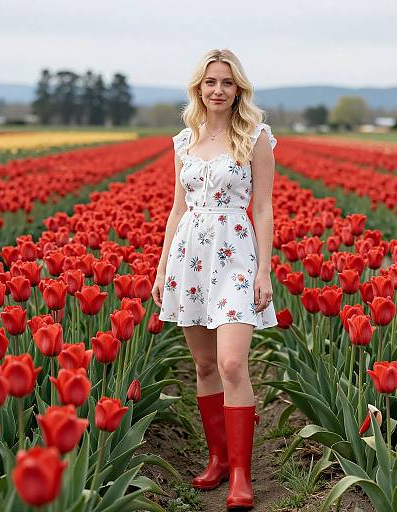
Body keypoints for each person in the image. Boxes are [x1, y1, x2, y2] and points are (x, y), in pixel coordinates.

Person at [151, 48, 278, 510]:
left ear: (238, 88)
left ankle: (242, 474)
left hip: (236, 255)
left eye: (227, 82)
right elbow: (177, 208)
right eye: (211, 82)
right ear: (199, 89)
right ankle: (218, 459)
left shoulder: (256, 137)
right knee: (204, 367)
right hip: (189, 256)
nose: (219, 90)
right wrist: (163, 267)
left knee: (230, 364)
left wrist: (264, 268)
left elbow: (262, 207)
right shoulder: (184, 140)